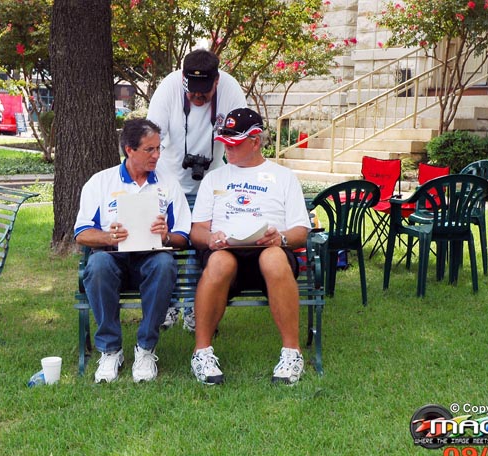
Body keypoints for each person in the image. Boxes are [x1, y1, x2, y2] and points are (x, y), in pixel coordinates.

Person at [188, 108, 312, 386]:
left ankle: (292, 353)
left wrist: (280, 238)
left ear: (255, 141)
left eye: (234, 143)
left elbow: (300, 232)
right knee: (219, 261)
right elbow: (197, 231)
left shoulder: (283, 177)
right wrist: (210, 238)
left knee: (273, 258)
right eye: (225, 143)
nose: (227, 149)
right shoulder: (214, 178)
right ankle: (202, 352)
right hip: (225, 252)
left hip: (270, 251)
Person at [73, 118, 192, 383]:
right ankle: (110, 350)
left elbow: (183, 236)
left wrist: (167, 235)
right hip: (113, 258)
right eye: (150, 149)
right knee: (98, 265)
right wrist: (108, 236)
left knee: (164, 264)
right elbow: (82, 233)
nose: (157, 155)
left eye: (159, 148)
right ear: (129, 150)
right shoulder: (101, 182)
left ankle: (146, 349)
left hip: (151, 259)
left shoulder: (168, 184)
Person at [147, 48, 247, 332]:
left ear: (217, 81)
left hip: (212, 182)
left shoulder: (231, 89)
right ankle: (168, 305)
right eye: (192, 92)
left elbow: (241, 137)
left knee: (201, 247)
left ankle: (194, 307)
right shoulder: (168, 89)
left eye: (205, 92)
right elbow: (152, 137)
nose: (198, 97)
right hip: (169, 180)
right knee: (167, 243)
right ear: (183, 80)